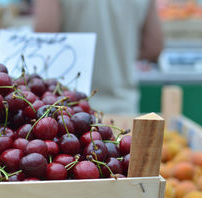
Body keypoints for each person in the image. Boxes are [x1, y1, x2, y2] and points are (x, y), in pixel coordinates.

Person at [34, 0, 164, 114]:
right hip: (123, 109)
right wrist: (121, 55)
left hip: (72, 114)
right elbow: (153, 46)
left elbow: (44, 38)